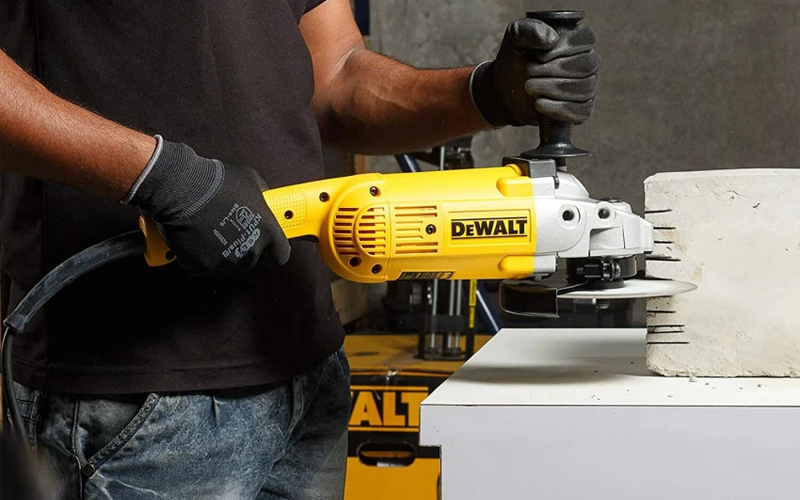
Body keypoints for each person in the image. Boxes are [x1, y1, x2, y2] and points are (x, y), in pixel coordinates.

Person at [0, 1, 598, 498]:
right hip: (132, 394)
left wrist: (485, 93)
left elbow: (336, 78)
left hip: (304, 372)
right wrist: (160, 177)